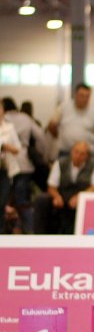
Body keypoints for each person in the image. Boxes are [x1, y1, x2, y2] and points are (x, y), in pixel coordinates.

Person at [33, 140, 94, 234]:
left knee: (90, 202)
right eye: (76, 152)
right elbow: (51, 186)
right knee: (42, 199)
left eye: (82, 154)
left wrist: (80, 196)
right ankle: (39, 235)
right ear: (72, 151)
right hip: (63, 195)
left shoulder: (93, 165)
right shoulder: (60, 163)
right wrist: (56, 196)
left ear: (87, 156)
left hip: (82, 196)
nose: (78, 156)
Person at [2, 97, 46, 233]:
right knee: (22, 200)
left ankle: (7, 230)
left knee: (5, 201)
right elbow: (40, 136)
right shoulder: (26, 118)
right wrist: (40, 154)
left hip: (6, 164)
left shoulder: (6, 120)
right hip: (23, 162)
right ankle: (29, 230)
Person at [47, 83, 94, 156]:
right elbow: (52, 125)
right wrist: (60, 137)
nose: (84, 99)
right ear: (75, 94)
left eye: (87, 96)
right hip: (65, 151)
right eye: (82, 95)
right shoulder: (64, 107)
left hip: (86, 152)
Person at [0, 100, 22, 233]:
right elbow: (5, 146)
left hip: (5, 168)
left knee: (2, 202)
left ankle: (1, 233)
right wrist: (3, 146)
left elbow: (17, 148)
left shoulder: (9, 127)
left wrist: (7, 147)